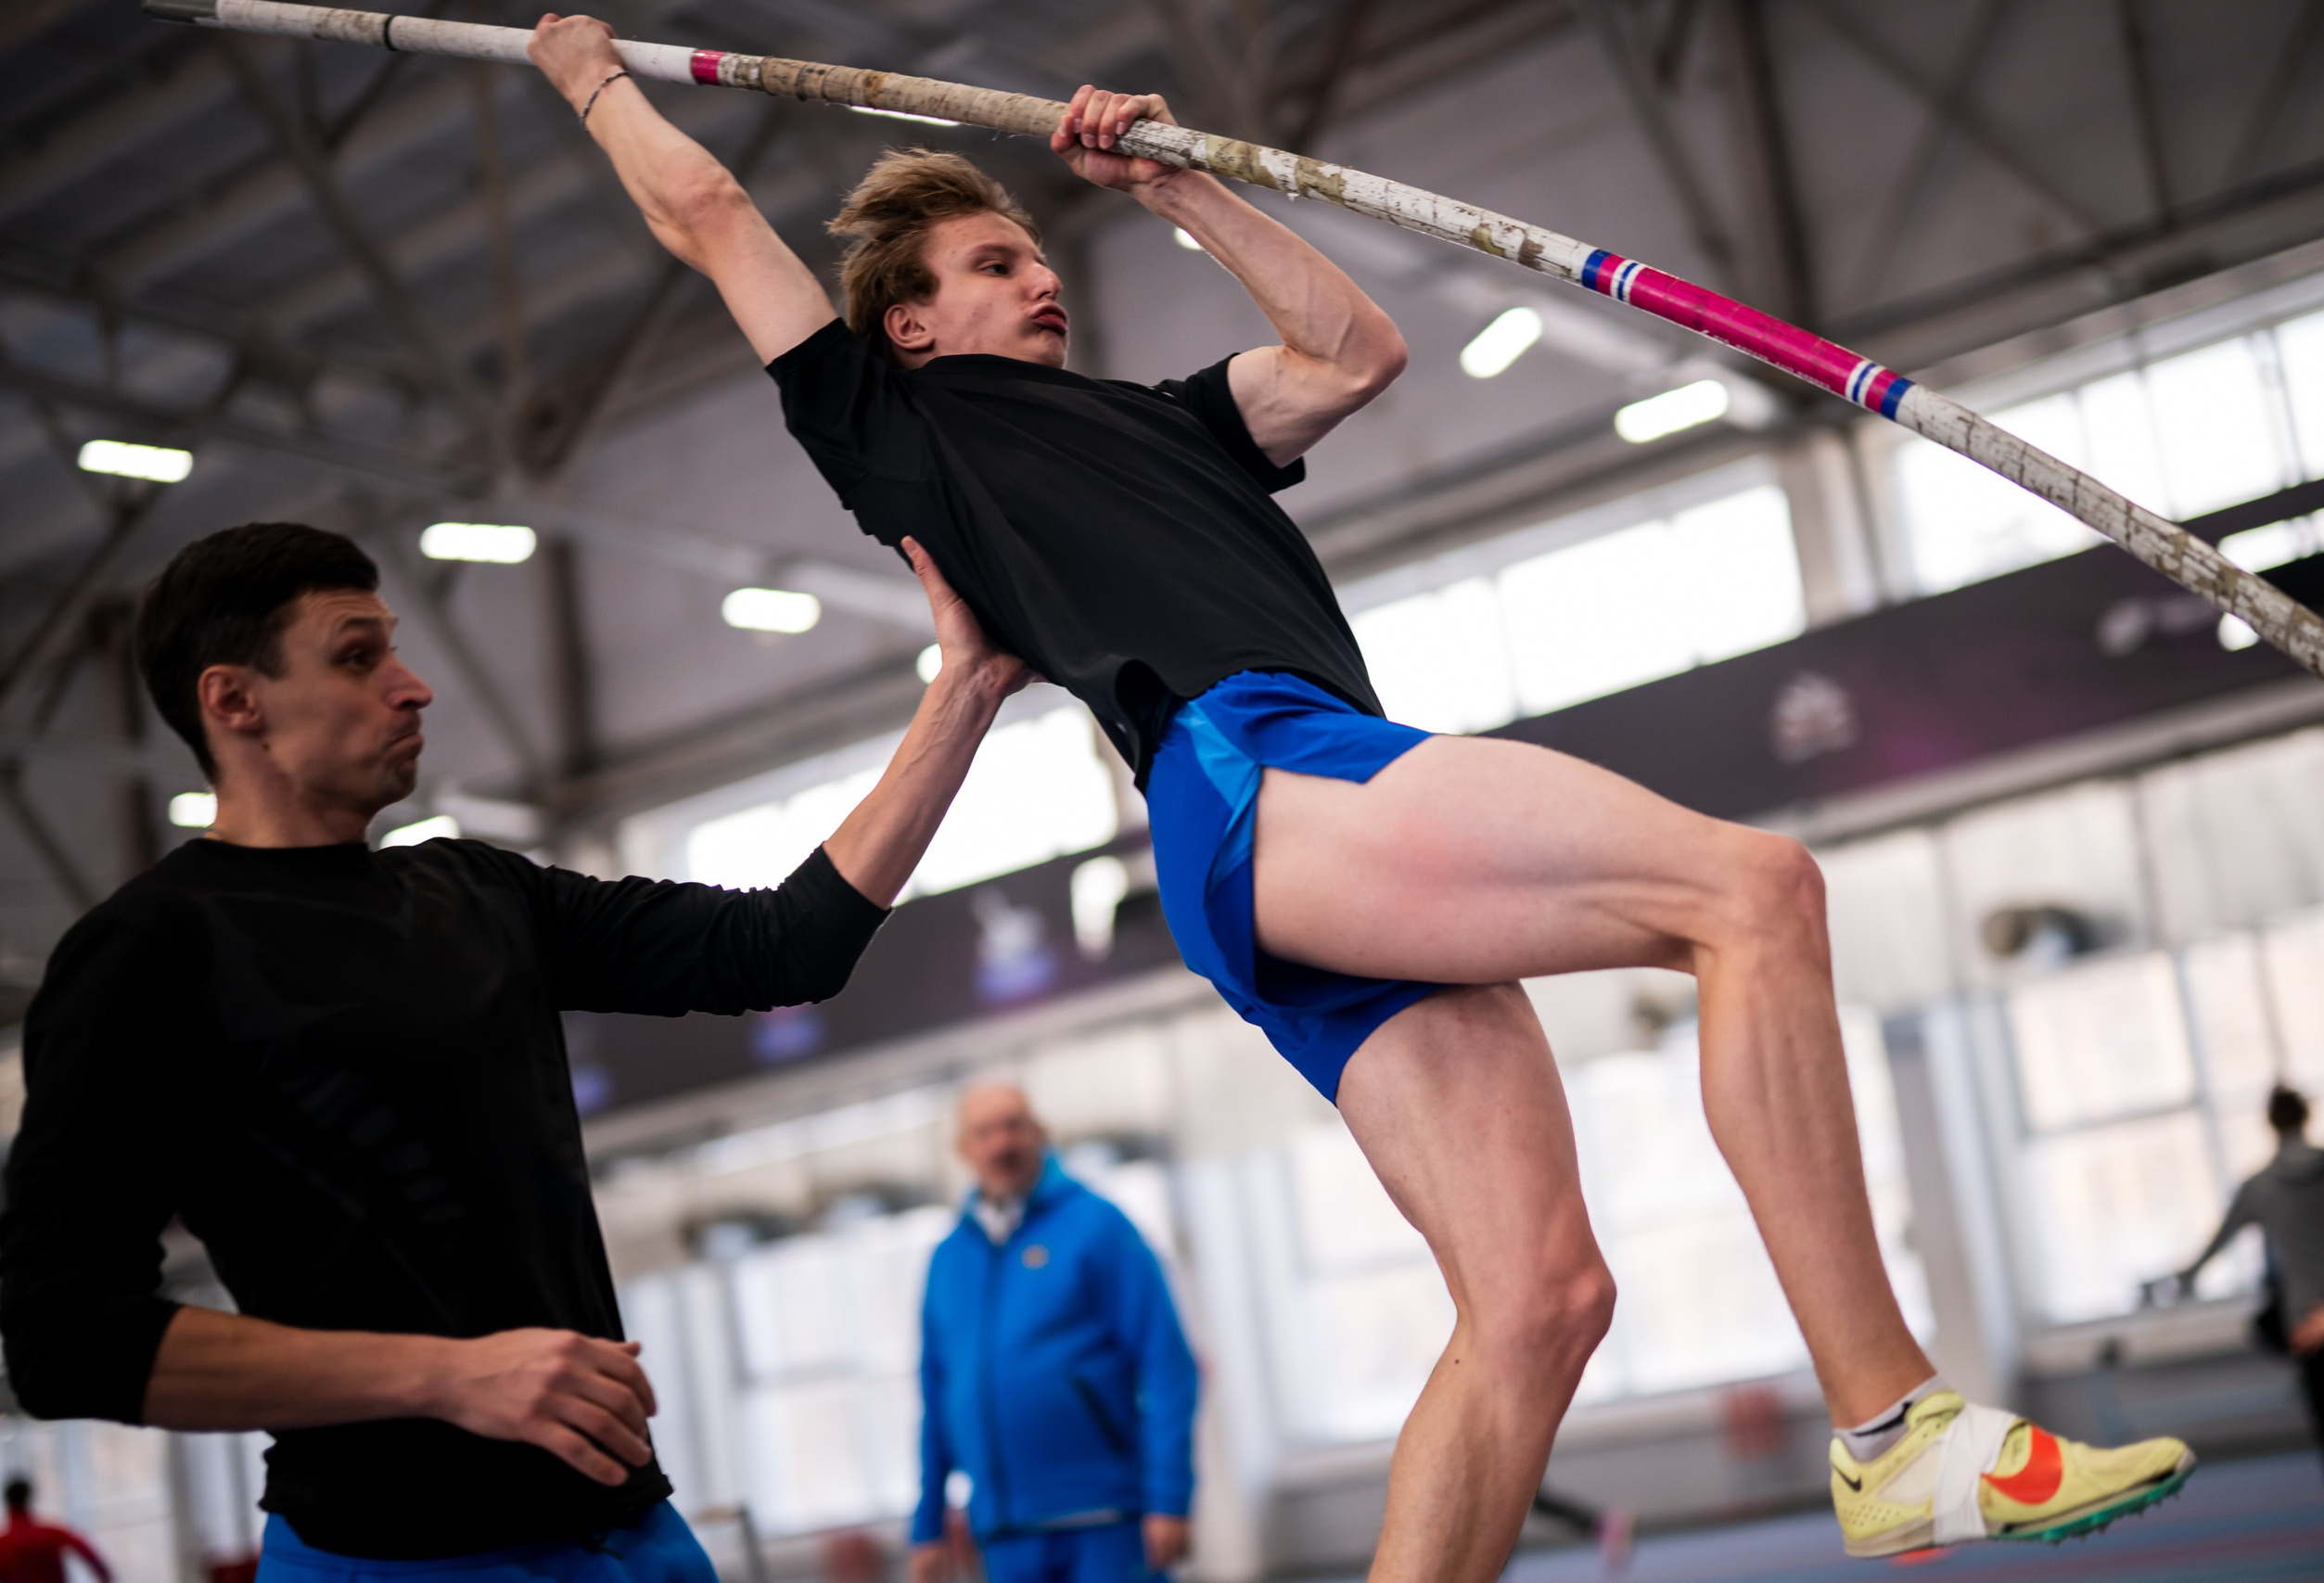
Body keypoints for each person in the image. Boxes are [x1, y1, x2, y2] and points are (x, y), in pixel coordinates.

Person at [525, 17, 2195, 1571]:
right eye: (992, 262)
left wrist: (1181, 186)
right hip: (1253, 767)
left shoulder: (1168, 420)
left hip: (1303, 828)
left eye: (1038, 252)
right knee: (1753, 889)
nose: (1038, 278)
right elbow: (711, 212)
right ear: (908, 320)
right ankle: (1894, 1420)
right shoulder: (900, 428)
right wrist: (588, 69)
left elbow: (1353, 347)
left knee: (1541, 1299)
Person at [0, 522, 1028, 1578]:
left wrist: (967, 690)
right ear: (234, 700)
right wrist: (443, 1378)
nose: (414, 687)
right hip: (397, 1554)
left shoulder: (479, 893)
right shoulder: (148, 955)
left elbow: (783, 946)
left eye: (394, 648)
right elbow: (67, 1338)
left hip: (630, 1536)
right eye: (358, 657)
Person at [911, 1085, 1196, 1583]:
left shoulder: (1097, 1226)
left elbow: (1168, 1363)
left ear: (1040, 1134)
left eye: (1014, 1126)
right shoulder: (947, 1260)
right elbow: (936, 1398)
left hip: (1106, 1518)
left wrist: (1169, 1497)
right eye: (985, 1132)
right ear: (964, 1150)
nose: (1002, 1143)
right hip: (1004, 1533)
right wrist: (927, 1524)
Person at [2181, 1084, 2324, 1561]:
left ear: (2269, 1123)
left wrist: (2183, 1277)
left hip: (2308, 1320)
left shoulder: (2259, 1185)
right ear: (2308, 1115)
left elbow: (2216, 1243)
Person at [0, 1478, 109, 1583]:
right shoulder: (51, 1534)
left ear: (7, 1501)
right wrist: (104, 1576)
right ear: (29, 1497)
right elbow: (89, 1554)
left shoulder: (4, 1544)